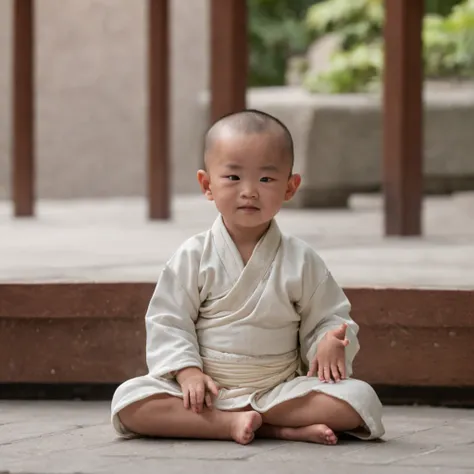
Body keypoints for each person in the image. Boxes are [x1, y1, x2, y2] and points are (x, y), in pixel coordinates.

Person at [111, 109, 385, 446]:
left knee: (360, 401)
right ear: (206, 185)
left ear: (290, 186)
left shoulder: (301, 259)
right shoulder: (193, 256)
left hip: (280, 390)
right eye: (233, 178)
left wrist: (329, 343)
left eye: (266, 179)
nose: (250, 191)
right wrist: (187, 372)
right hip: (206, 391)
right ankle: (251, 426)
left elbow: (330, 318)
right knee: (130, 402)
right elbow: (169, 320)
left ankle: (240, 422)